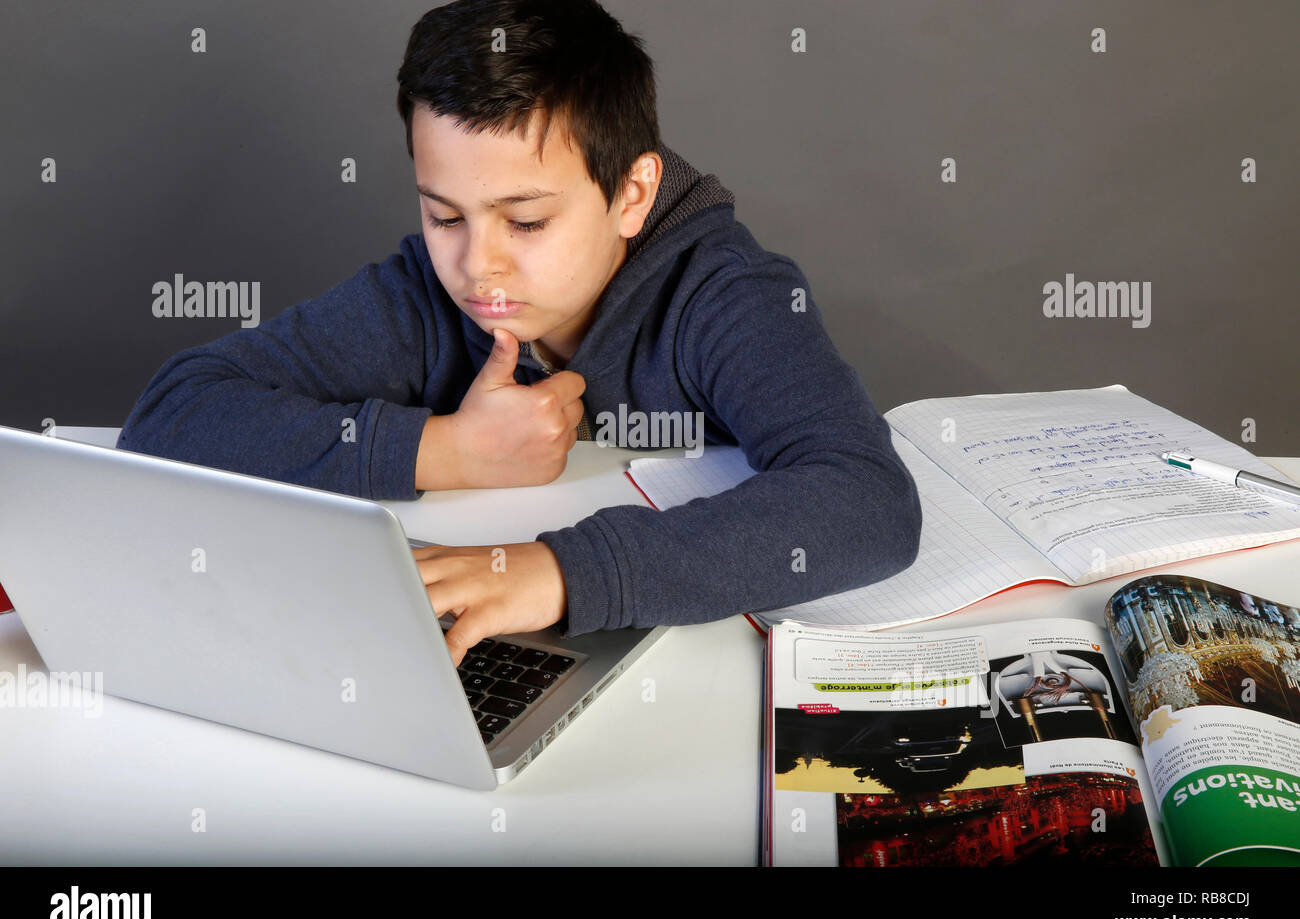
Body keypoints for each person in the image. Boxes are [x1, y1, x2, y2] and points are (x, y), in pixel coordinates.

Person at [117, 0, 922, 664]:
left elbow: (867, 503)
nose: (478, 268)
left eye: (527, 220)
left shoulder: (725, 295)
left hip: (696, 662)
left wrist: (558, 571)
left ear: (633, 194)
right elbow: (170, 418)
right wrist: (444, 450)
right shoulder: (422, 295)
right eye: (442, 215)